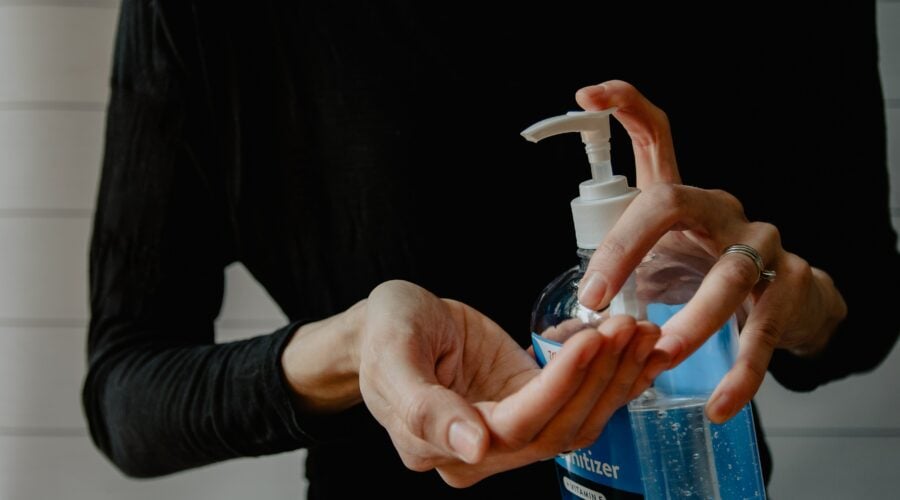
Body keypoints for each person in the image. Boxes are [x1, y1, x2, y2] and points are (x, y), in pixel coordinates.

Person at [83, 1, 899, 498]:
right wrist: (354, 350)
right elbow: (126, 393)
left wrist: (800, 303)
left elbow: (863, 317)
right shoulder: (216, 18)